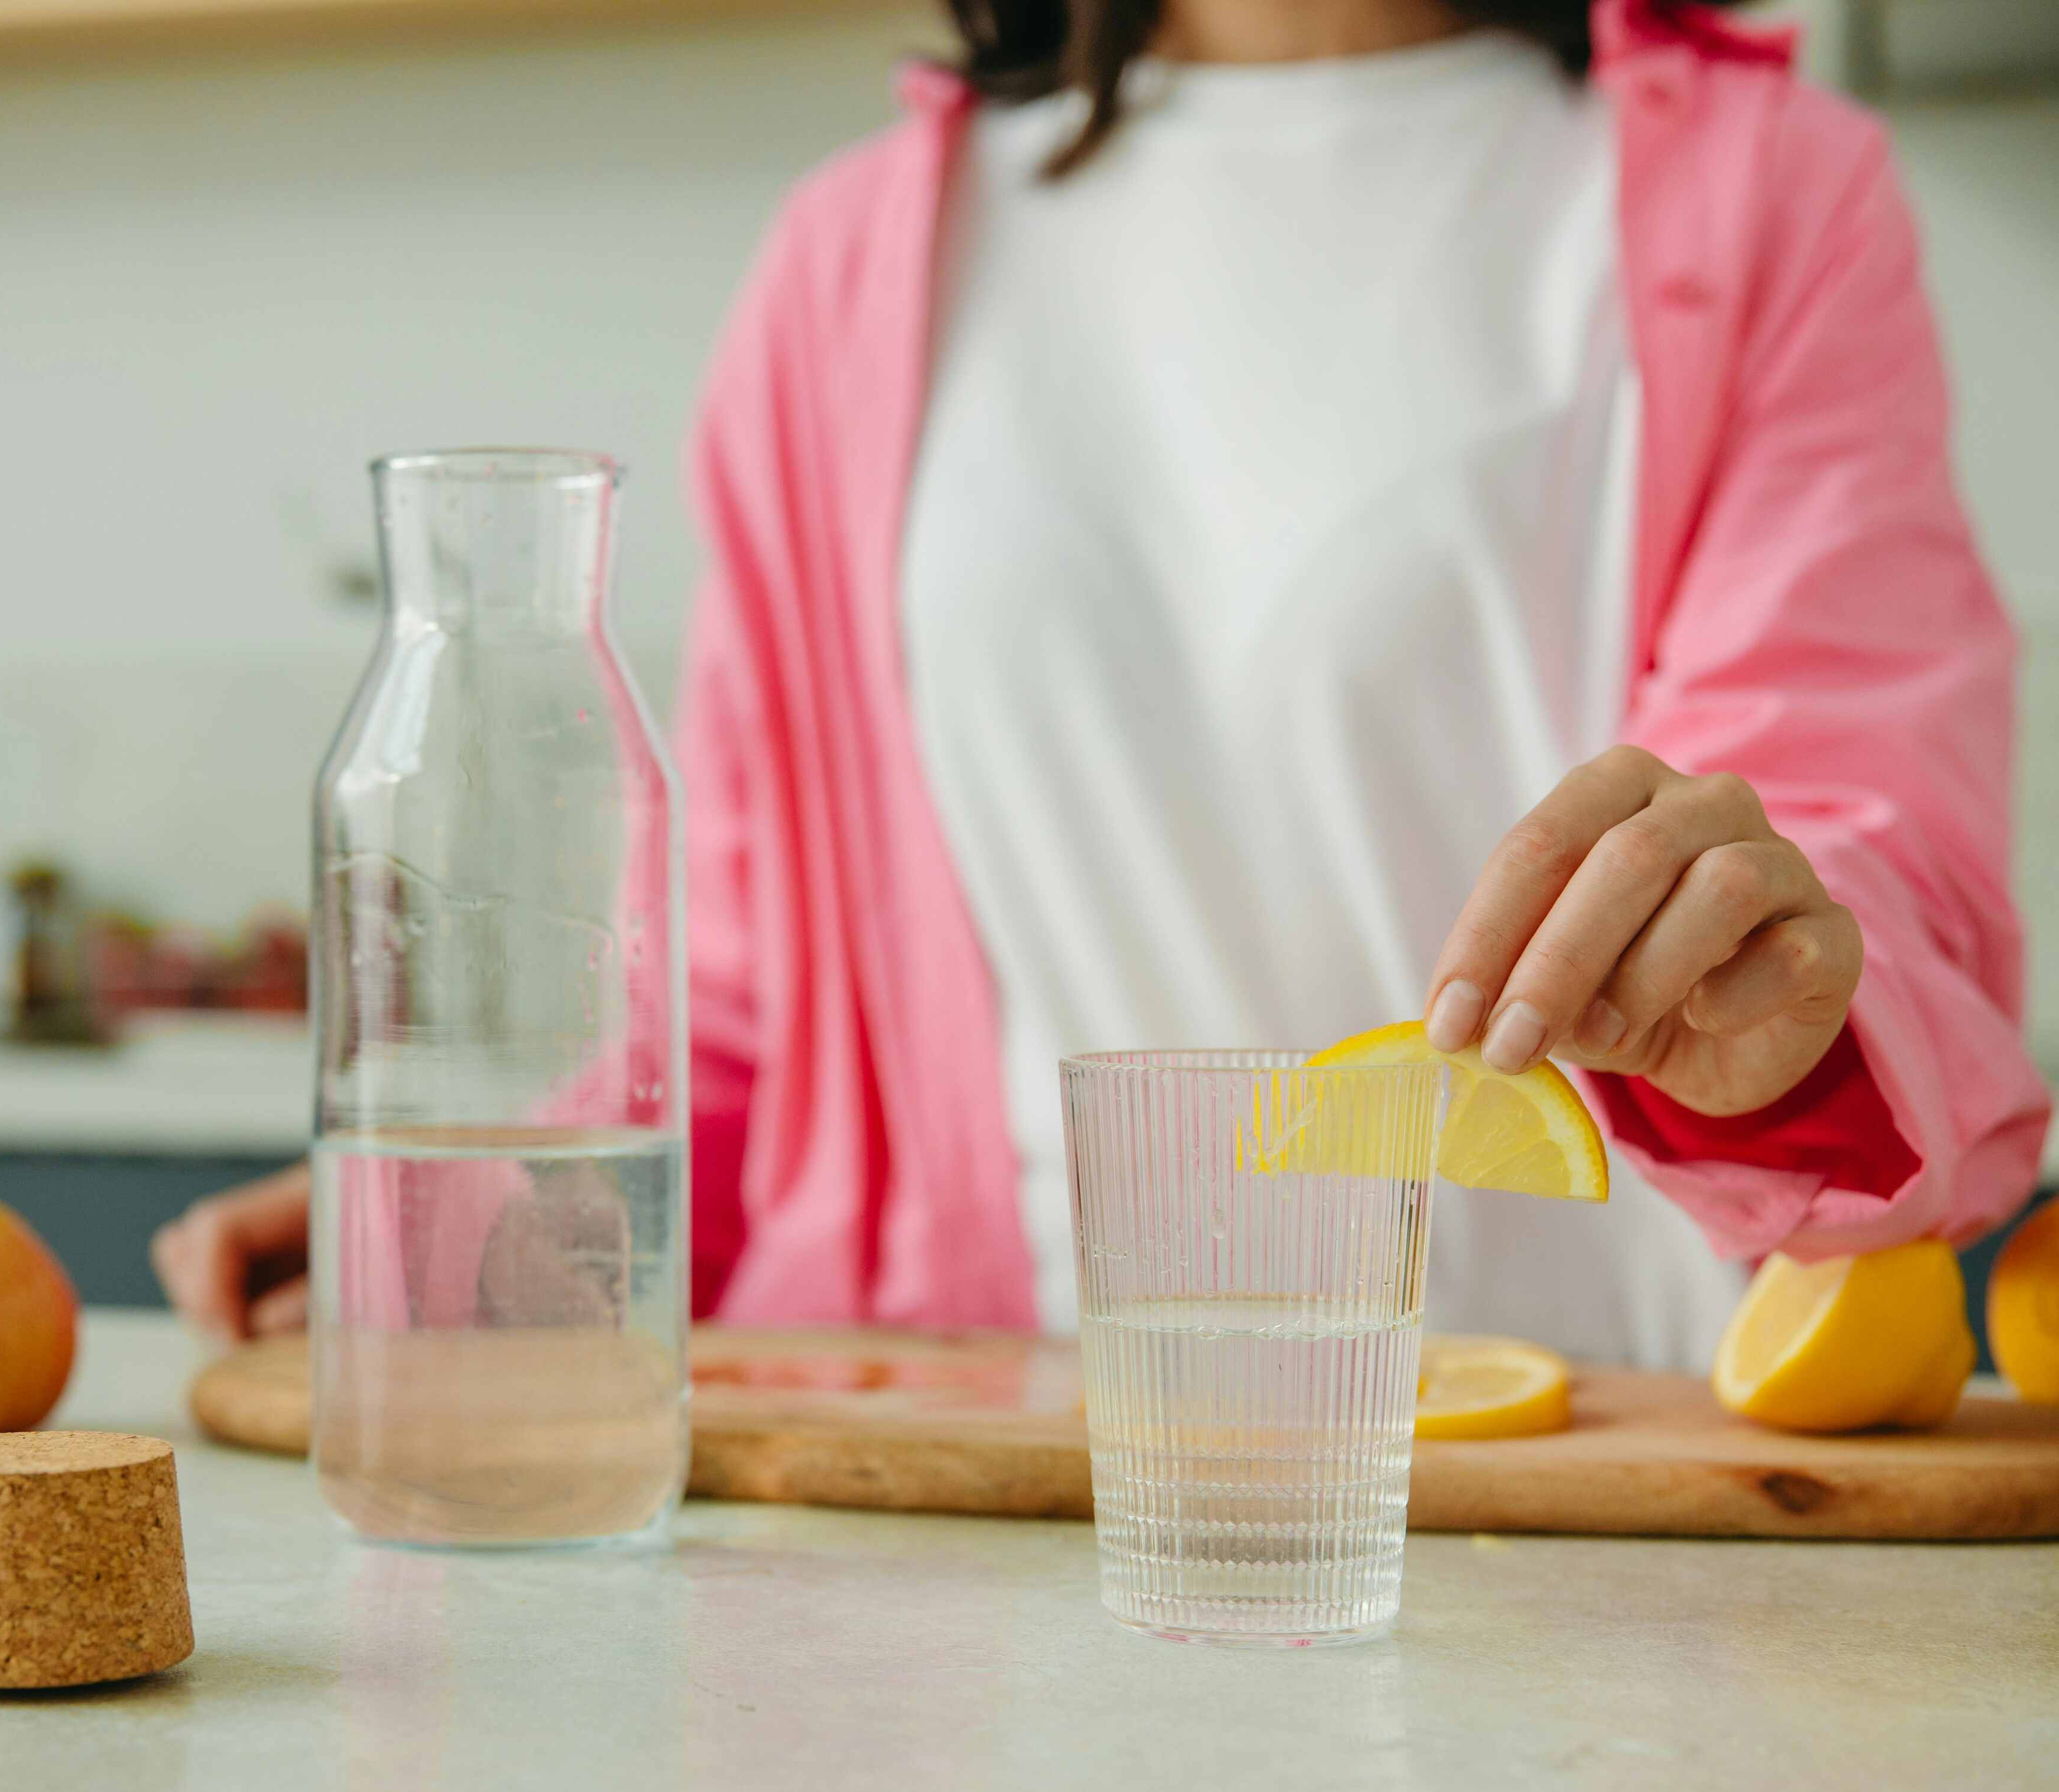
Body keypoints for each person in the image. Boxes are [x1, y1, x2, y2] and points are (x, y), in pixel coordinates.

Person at [158, 0, 2047, 1370]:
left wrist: (1780, 1001)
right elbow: (760, 1012)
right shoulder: (847, 269)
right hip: (982, 1531)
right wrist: (486, 1227)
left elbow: (1874, 868)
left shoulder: (1767, 196)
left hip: (1584, 1508)